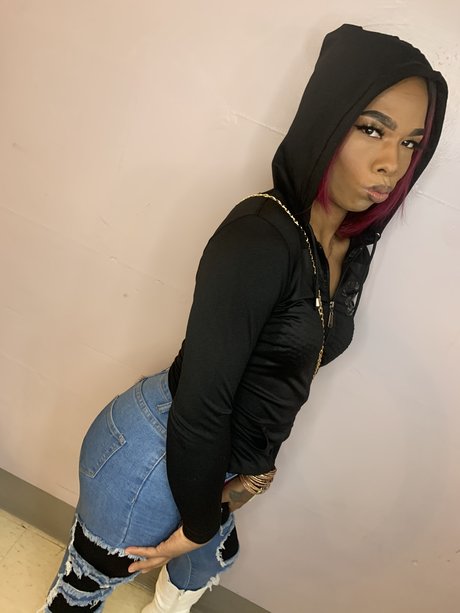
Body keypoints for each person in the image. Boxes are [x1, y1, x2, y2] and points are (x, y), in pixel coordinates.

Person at [42, 23, 447, 613]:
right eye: (371, 129)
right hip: (155, 456)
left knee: (205, 561)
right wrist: (202, 520)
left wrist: (245, 484)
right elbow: (202, 405)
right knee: (79, 597)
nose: (392, 164)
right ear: (328, 121)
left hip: (218, 465)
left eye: (411, 143)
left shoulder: (348, 245)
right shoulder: (260, 238)